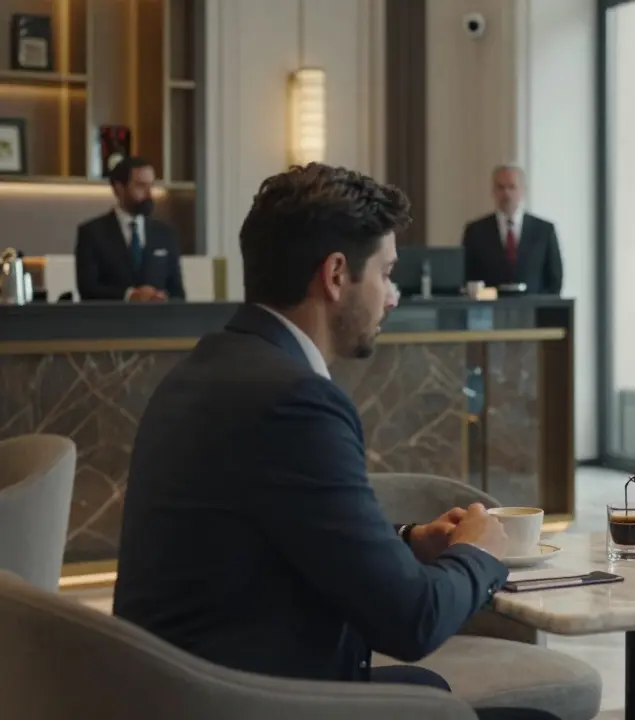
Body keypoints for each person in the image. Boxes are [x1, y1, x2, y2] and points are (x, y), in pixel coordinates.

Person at [113, 163, 558, 720]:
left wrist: (407, 540)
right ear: (336, 274)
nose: (392, 297)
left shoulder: (205, 370)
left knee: (429, 691)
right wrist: (480, 552)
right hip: (253, 702)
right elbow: (412, 621)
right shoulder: (295, 403)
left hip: (184, 689)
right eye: (387, 273)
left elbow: (286, 535)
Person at [74, 156, 185, 302]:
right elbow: (87, 289)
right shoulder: (92, 233)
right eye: (141, 186)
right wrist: (130, 296)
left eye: (151, 186)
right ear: (119, 188)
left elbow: (178, 292)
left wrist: (163, 298)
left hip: (157, 322)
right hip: (111, 321)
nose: (149, 194)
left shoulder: (165, 233)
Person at [461, 164, 563, 294]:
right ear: (493, 192)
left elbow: (555, 280)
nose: (506, 193)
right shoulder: (476, 231)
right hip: (489, 310)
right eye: (500, 187)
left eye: (512, 187)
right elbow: (467, 278)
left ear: (523, 191)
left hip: (532, 310)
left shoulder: (544, 230)